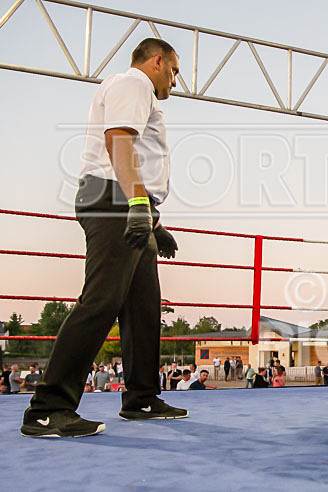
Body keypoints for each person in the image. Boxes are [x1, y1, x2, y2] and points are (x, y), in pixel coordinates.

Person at [21, 38, 186, 438]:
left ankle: (141, 398)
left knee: (143, 307)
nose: (176, 82)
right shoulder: (133, 84)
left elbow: (135, 156)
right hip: (114, 199)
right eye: (175, 71)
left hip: (128, 201)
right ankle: (48, 408)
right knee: (101, 301)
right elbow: (119, 141)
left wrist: (152, 221)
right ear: (157, 61)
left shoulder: (142, 92)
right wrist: (137, 205)